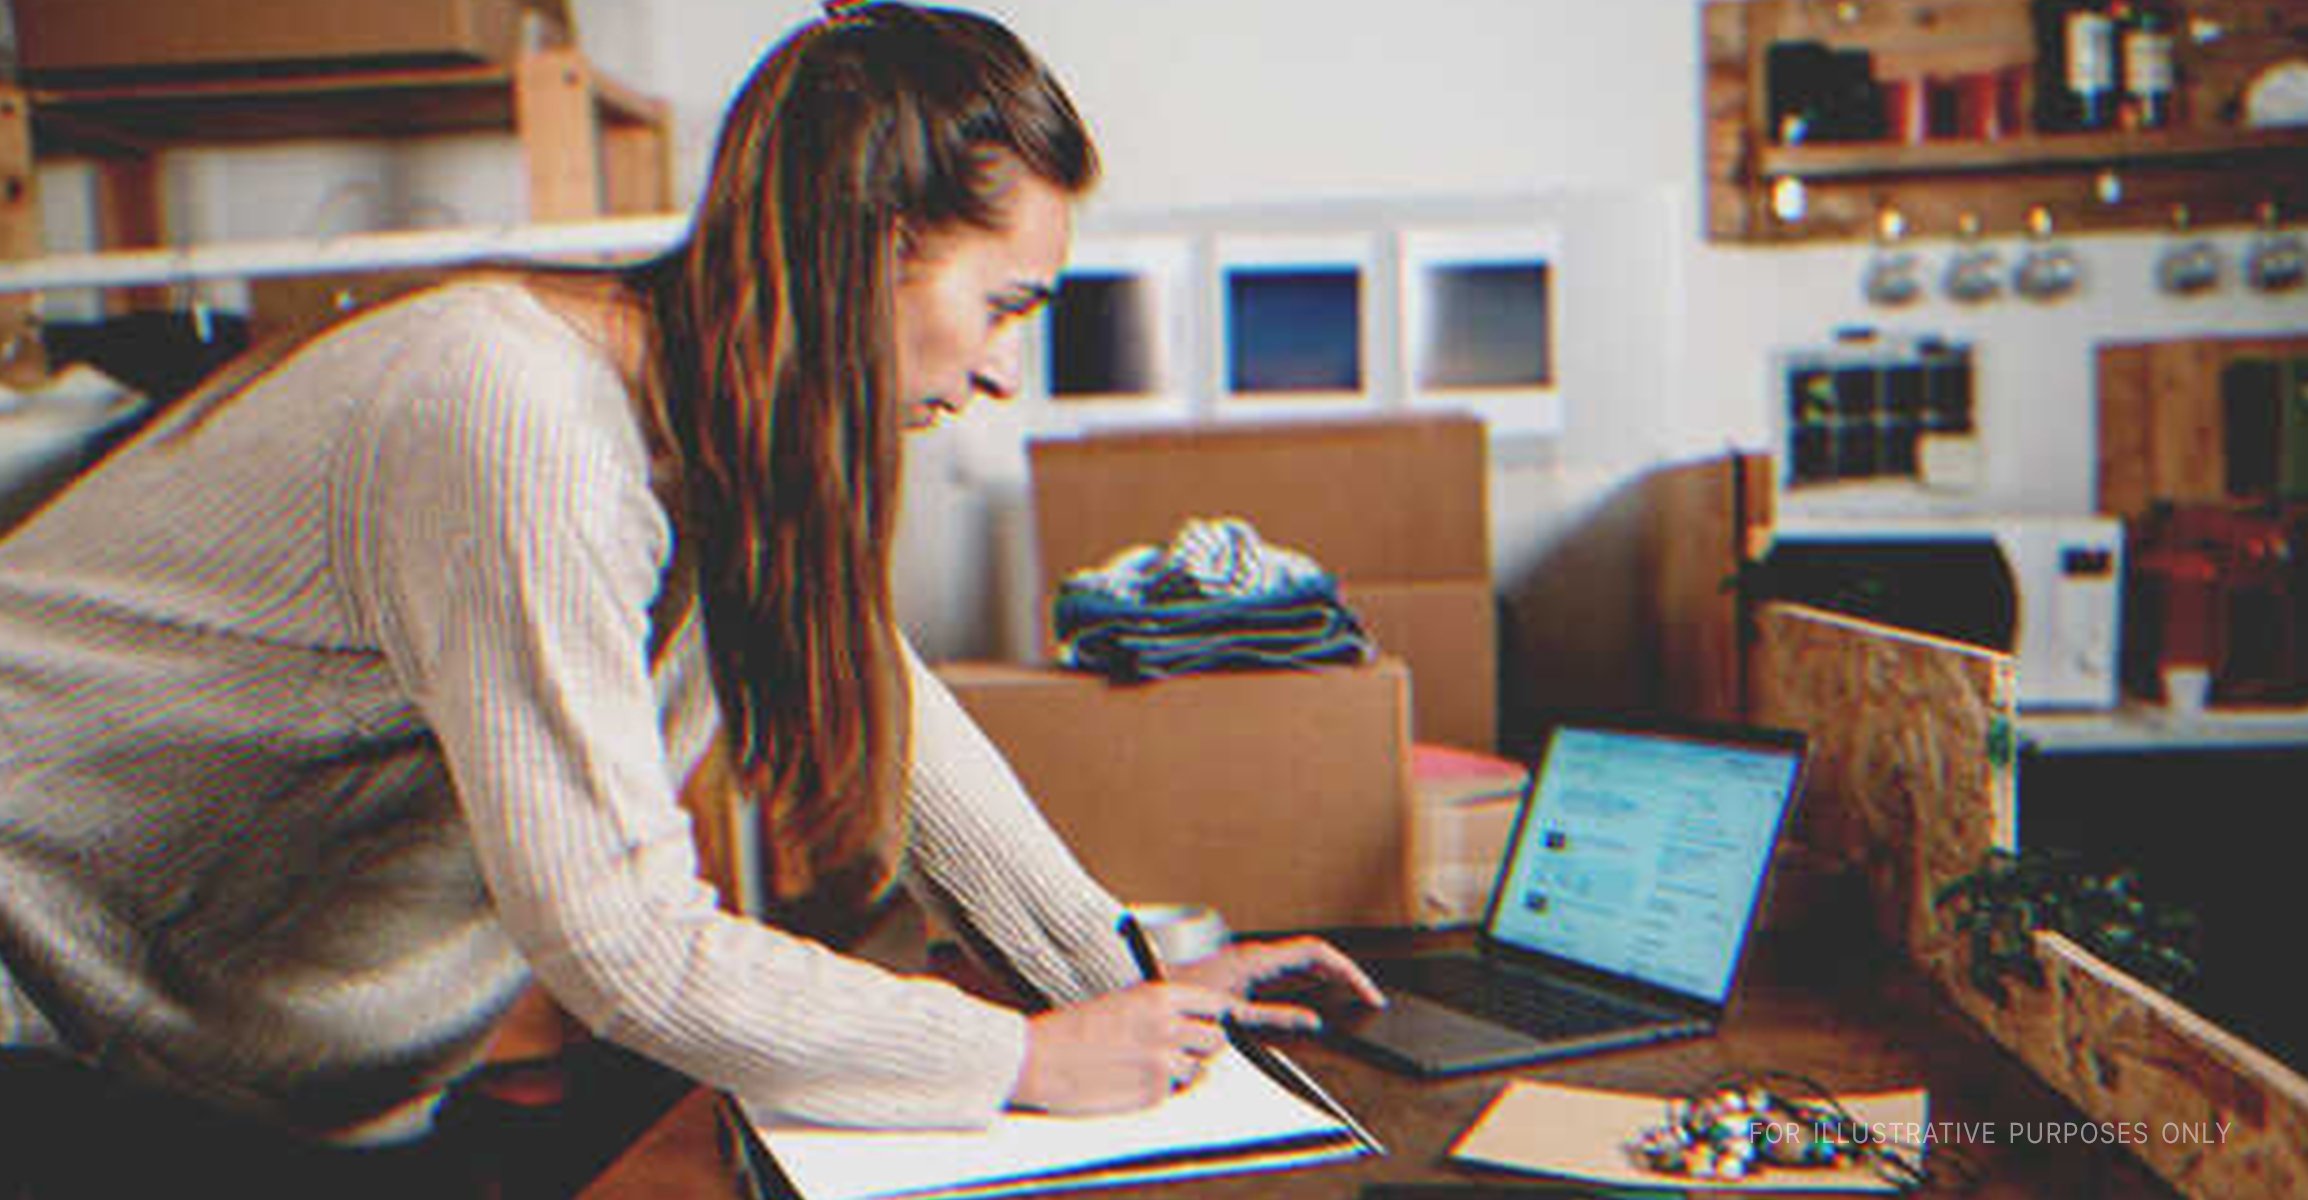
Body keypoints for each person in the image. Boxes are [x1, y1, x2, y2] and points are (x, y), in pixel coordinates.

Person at [0, 2, 1381, 1192]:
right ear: (872, 248)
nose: (1008, 372)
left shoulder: (723, 425)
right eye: (1008, 303)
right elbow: (618, 944)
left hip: (246, 1054)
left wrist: (1120, 981)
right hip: (56, 1032)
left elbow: (884, 707)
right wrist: (1021, 1059)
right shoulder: (518, 413)